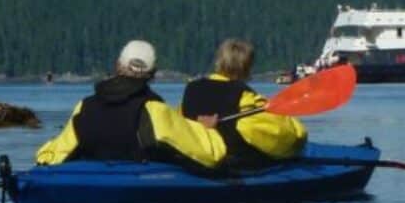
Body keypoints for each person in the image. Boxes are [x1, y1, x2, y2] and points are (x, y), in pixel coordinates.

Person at [35, 40, 227, 169]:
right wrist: (207, 130)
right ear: (153, 74)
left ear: (117, 65)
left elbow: (49, 158)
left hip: (94, 185)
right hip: (139, 191)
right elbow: (211, 154)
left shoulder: (84, 106)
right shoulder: (155, 110)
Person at [181, 39, 308, 169]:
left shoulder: (191, 88)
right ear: (247, 67)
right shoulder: (245, 97)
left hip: (194, 158)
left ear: (219, 61)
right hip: (231, 163)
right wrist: (298, 131)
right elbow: (289, 137)